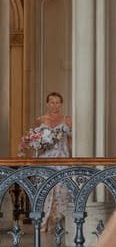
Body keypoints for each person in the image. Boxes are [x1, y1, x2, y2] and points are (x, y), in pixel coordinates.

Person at [34, 92, 74, 233]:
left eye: (57, 102)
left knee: (61, 191)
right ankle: (42, 222)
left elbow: (70, 140)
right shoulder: (40, 120)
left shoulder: (67, 119)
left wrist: (72, 158)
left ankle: (57, 222)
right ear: (47, 103)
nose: (54, 105)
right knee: (44, 190)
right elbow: (35, 140)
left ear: (61, 104)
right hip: (45, 159)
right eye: (52, 102)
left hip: (62, 158)